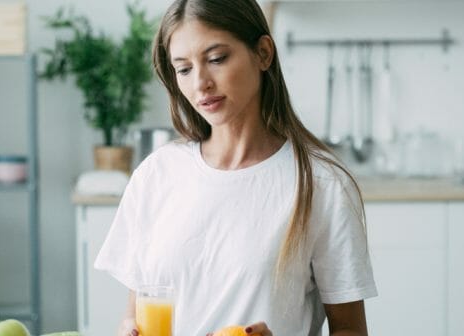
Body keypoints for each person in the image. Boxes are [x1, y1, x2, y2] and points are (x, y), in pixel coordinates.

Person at [94, 0, 377, 335]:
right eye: (183, 69)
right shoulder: (157, 174)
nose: (200, 84)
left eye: (216, 59)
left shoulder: (320, 183)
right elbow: (136, 311)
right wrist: (129, 328)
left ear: (263, 53)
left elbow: (351, 330)